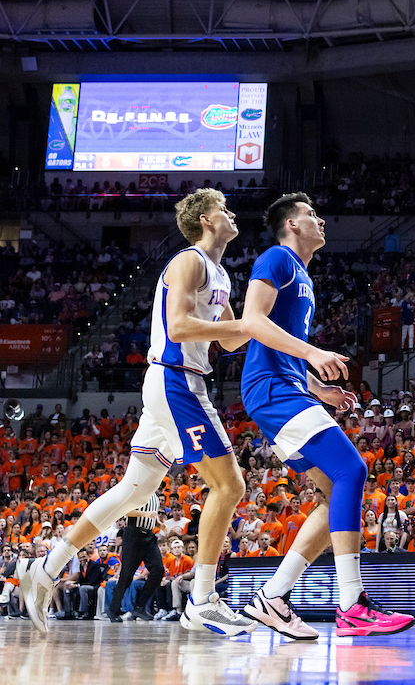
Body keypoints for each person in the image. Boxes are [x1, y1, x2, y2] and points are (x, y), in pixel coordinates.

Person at [17, 189, 256, 637]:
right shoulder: (189, 261)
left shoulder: (221, 274)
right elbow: (181, 325)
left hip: (178, 381)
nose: (232, 214)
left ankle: (46, 569)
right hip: (176, 380)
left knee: (132, 492)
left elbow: (228, 341)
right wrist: (244, 324)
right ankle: (202, 600)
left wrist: (256, 321)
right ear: (206, 219)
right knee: (230, 485)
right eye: (224, 209)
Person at [237, 192, 412, 639]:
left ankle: (272, 597)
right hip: (271, 391)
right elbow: (251, 322)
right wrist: (314, 354)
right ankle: (351, 604)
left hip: (286, 388)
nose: (320, 220)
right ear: (291, 224)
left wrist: (318, 388)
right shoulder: (277, 257)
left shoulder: (302, 276)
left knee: (333, 490)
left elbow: (277, 346)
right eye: (311, 214)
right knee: (353, 469)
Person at [104, 494, 163, 623]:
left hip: (149, 535)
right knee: (127, 575)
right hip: (133, 534)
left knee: (158, 570)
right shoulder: (138, 490)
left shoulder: (156, 496)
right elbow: (126, 511)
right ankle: (113, 609)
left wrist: (159, 523)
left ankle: (139, 606)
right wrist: (144, 514)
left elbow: (152, 514)